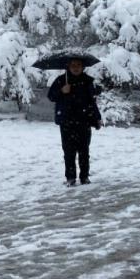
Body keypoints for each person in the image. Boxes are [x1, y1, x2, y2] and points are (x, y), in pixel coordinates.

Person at [47, 58, 102, 187]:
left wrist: (97, 117)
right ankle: (70, 177)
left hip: (84, 120)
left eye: (78, 65)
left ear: (83, 67)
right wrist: (62, 91)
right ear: (68, 67)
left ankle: (84, 177)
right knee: (68, 152)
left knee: (84, 151)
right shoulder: (61, 80)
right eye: (73, 65)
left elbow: (92, 101)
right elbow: (51, 96)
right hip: (67, 121)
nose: (76, 68)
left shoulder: (88, 81)